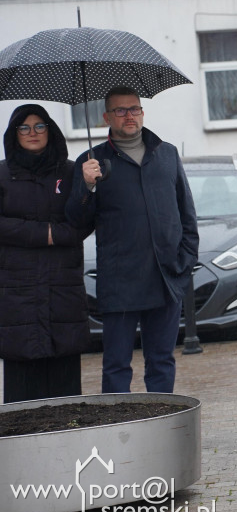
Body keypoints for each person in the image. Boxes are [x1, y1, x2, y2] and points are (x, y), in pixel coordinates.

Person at [66, 87, 198, 394]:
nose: (129, 116)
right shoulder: (92, 161)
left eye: (135, 109)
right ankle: (119, 431)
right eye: (121, 111)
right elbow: (76, 220)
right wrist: (86, 186)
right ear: (107, 117)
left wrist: (185, 260)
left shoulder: (166, 154)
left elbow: (186, 214)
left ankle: (161, 425)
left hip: (165, 277)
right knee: (116, 365)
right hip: (120, 282)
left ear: (142, 112)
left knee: (162, 361)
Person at [0, 105, 91, 403]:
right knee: (21, 390)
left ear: (50, 130)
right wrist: (45, 234)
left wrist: (89, 187)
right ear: (14, 134)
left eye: (40, 126)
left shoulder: (71, 171)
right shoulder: (2, 175)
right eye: (24, 128)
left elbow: (83, 222)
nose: (32, 133)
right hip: (17, 290)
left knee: (65, 386)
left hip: (61, 287)